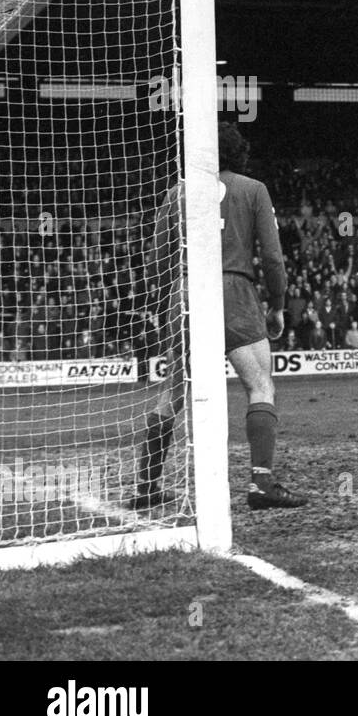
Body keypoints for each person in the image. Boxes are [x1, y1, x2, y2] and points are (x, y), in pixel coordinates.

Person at [132, 122, 307, 510]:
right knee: (260, 385)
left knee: (173, 393)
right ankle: (261, 484)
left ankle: (146, 486)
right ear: (239, 152)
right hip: (235, 291)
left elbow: (155, 262)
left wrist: (166, 308)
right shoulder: (253, 189)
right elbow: (273, 257)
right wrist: (277, 304)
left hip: (186, 291)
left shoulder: (177, 193)